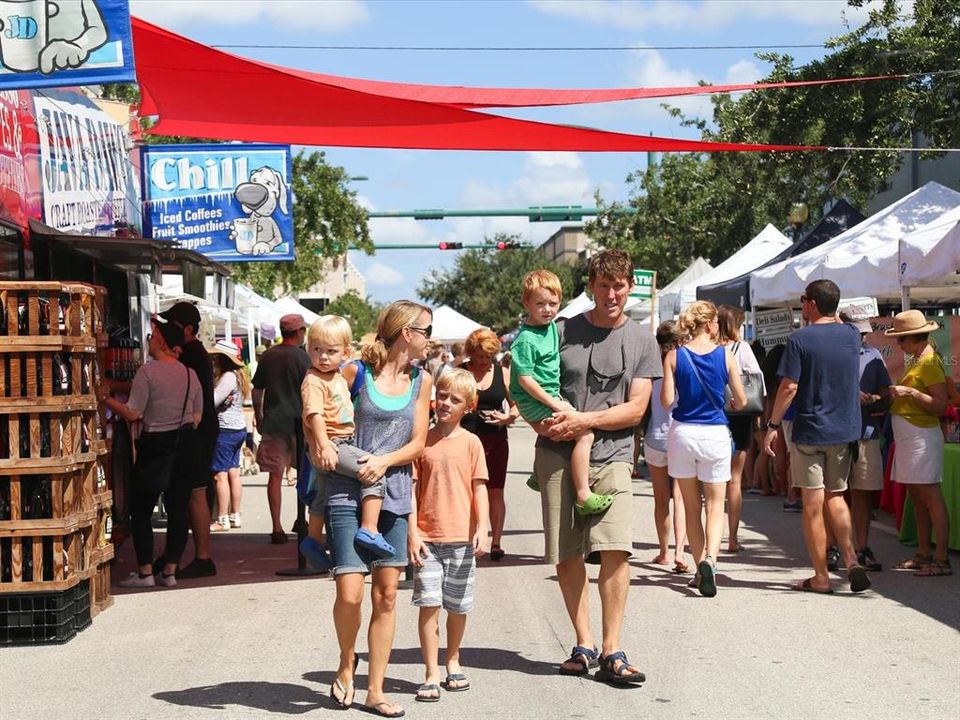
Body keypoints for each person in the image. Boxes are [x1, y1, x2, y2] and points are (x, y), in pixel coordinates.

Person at [533, 250, 662, 685]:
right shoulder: (563, 330)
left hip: (614, 454)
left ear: (630, 287)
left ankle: (613, 649)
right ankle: (584, 643)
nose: (611, 294)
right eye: (603, 285)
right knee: (567, 552)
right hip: (555, 453)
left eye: (619, 285)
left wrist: (584, 421)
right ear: (591, 285)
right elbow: (526, 380)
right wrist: (540, 422)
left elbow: (637, 408)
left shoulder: (643, 339)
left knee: (615, 548)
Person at [324, 301, 433, 718]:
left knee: (386, 596)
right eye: (426, 329)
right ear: (407, 332)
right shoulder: (356, 372)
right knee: (350, 592)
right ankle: (347, 660)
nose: (429, 338)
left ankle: (376, 690)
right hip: (347, 492)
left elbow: (419, 441)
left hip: (395, 494)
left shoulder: (423, 380)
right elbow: (322, 412)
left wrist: (385, 462)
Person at [763, 279, 871, 594]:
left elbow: (790, 386)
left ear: (810, 303)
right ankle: (851, 559)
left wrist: (772, 425)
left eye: (802, 300)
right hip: (844, 429)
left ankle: (821, 576)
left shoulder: (800, 339)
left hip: (811, 429)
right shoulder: (852, 336)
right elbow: (840, 321)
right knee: (837, 497)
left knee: (813, 504)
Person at [410, 369, 491, 702]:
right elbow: (411, 490)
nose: (445, 403)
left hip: (461, 538)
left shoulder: (472, 443)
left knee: (457, 606)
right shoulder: (421, 441)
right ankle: (430, 671)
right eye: (442, 396)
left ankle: (452, 659)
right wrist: (412, 531)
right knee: (429, 604)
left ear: (468, 406)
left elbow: (479, 487)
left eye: (454, 399)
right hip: (427, 539)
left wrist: (483, 526)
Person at [107, 318, 202, 588]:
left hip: (155, 446)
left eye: (151, 334)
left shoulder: (147, 372)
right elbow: (196, 417)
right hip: (185, 446)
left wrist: (106, 398)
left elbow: (133, 412)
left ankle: (146, 572)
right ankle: (170, 571)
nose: (148, 338)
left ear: (160, 340)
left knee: (140, 510)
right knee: (178, 511)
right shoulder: (189, 374)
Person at [661, 301, 746, 597]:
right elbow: (742, 400)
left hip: (683, 433)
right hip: (714, 434)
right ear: (711, 324)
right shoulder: (726, 355)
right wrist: (731, 402)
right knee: (714, 506)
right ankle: (712, 559)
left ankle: (699, 568)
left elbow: (666, 400)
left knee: (690, 505)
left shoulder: (674, 355)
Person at [512, 269, 610, 516]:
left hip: (549, 395)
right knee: (584, 434)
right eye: (540, 304)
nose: (547, 309)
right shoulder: (525, 339)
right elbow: (525, 380)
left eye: (553, 303)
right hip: (536, 400)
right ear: (527, 303)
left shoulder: (552, 328)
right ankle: (583, 495)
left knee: (561, 429)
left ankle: (538, 473)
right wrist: (556, 405)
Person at [300, 315, 392, 569]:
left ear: (346, 353)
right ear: (308, 349)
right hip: (334, 443)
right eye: (317, 349)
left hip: (336, 442)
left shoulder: (338, 377)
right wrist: (324, 444)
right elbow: (313, 415)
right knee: (373, 471)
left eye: (331, 351)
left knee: (322, 494)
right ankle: (369, 528)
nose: (323, 357)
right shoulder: (314, 380)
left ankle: (312, 539)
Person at [886, 310, 951, 577]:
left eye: (902, 340)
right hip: (911, 437)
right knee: (918, 499)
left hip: (921, 437)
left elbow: (940, 405)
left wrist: (910, 392)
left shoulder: (929, 363)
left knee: (931, 499)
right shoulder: (918, 360)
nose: (899, 345)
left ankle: (941, 559)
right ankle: (924, 553)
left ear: (915, 338)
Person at [158, 301, 218, 578]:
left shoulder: (190, 354)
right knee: (191, 492)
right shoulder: (195, 353)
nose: (168, 330)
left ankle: (201, 557)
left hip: (197, 431)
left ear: (189, 329)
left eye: (174, 325)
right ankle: (180, 555)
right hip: (200, 429)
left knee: (194, 493)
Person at [836, 313, 892, 571]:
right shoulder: (832, 352)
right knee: (834, 493)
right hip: (835, 432)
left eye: (863, 332)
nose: (860, 336)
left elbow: (885, 392)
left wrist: (871, 399)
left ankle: (861, 547)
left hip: (865, 431)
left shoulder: (873, 355)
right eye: (856, 331)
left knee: (862, 493)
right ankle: (834, 548)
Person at [460, 328, 518, 561]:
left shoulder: (501, 372)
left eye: (488, 356)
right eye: (479, 356)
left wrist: (508, 417)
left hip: (495, 439)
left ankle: (496, 542)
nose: (484, 361)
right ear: (470, 353)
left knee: (495, 491)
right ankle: (469, 537)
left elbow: (516, 405)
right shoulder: (460, 373)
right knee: (467, 490)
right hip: (464, 439)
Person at [252, 313, 310, 544]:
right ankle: (301, 518)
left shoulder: (268, 356)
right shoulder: (303, 358)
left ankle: (276, 527)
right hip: (300, 424)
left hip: (274, 423)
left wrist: (259, 416)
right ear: (299, 332)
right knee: (305, 474)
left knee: (274, 477)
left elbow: (257, 391)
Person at [716, 305, 765, 553]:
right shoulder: (741, 348)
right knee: (734, 480)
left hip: (714, 416)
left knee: (712, 482)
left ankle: (711, 536)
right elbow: (758, 380)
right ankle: (733, 538)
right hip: (739, 415)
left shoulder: (710, 347)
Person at [645, 321, 689, 573]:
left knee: (661, 500)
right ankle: (680, 552)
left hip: (655, 438)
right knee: (680, 499)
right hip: (679, 436)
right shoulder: (683, 366)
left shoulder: (651, 369)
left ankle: (664, 552)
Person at [209, 340, 250, 532]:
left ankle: (222, 518)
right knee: (233, 472)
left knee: (220, 475)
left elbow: (213, 400)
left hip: (225, 430)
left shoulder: (227, 377)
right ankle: (235, 515)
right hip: (238, 428)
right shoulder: (239, 375)